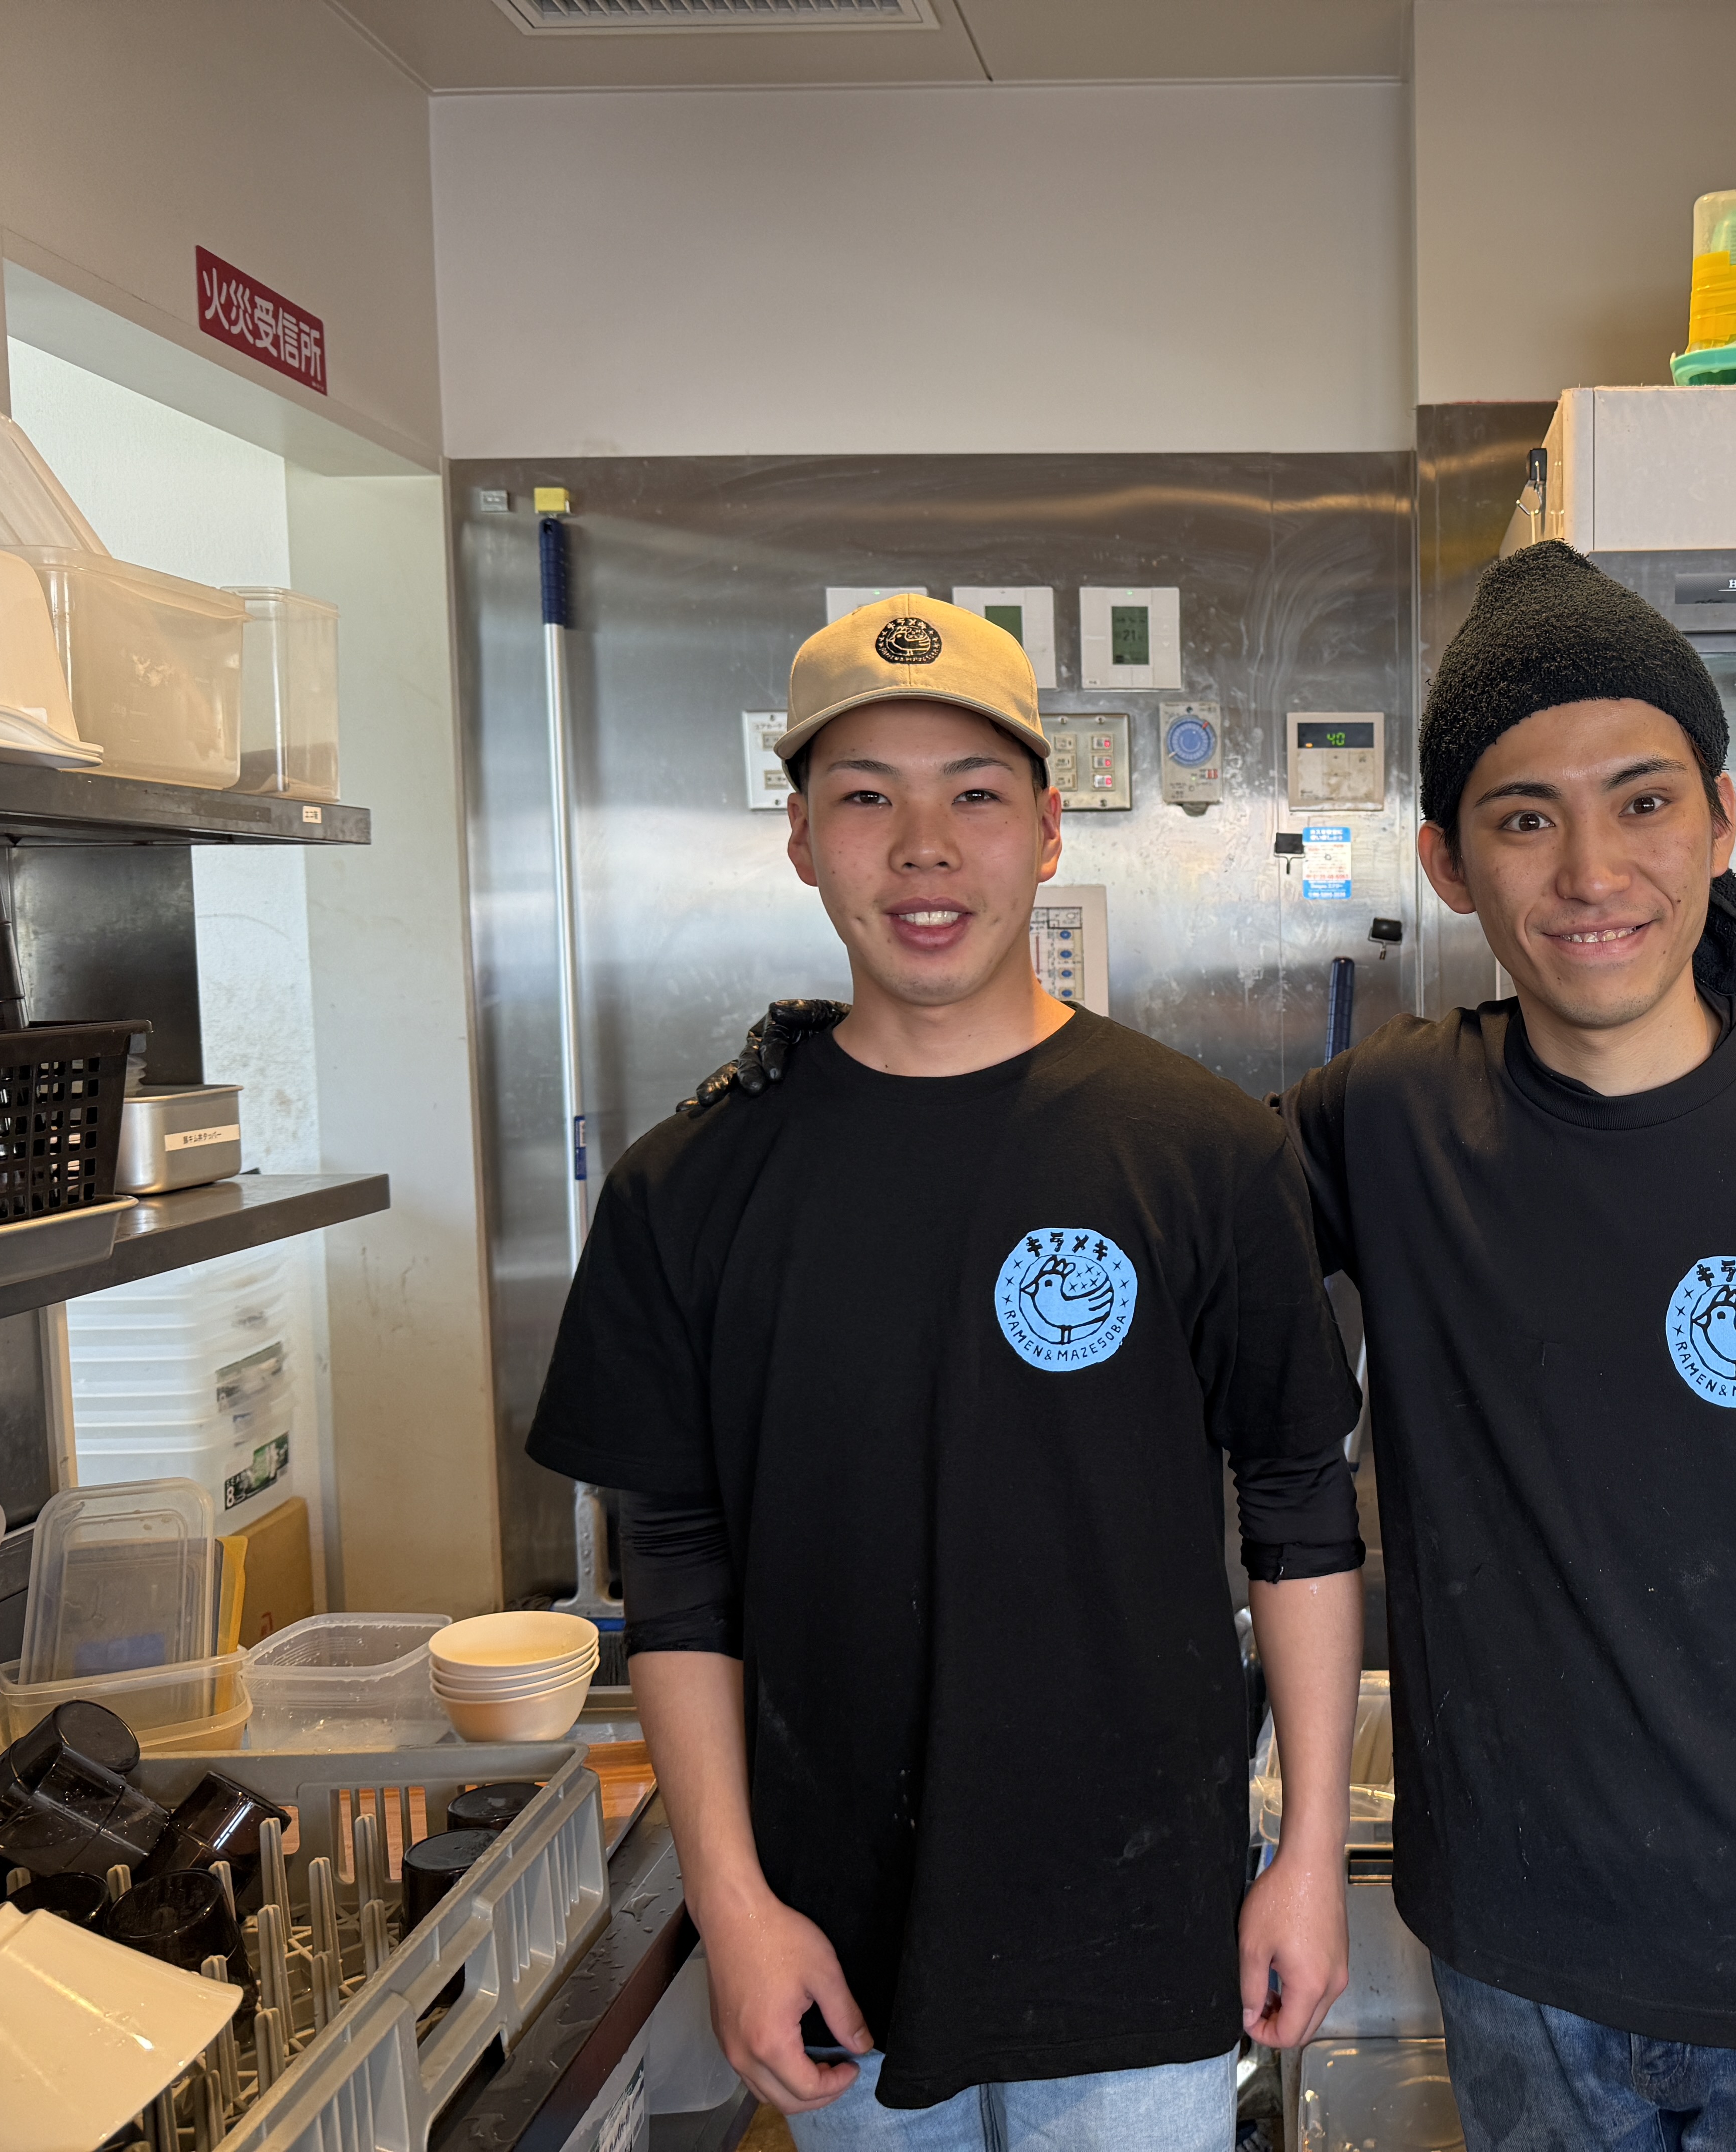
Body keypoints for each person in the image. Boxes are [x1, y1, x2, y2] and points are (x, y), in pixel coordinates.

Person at [699, 549, 1736, 2151]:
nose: (1592, 870)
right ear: (1446, 861)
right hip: (1514, 1958)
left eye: (1644, 803)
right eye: (1525, 819)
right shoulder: (1391, 1118)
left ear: (1720, 821)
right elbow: (1123, 1191)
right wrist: (854, 1076)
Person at [530, 595, 1369, 2152]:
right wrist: (733, 1902)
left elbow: (1301, 1505)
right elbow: (678, 1566)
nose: (924, 848)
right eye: (867, 796)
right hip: (834, 1948)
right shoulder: (688, 1188)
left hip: (1141, 1933)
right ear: (801, 838)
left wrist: (1306, 1852)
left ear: (1046, 830)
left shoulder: (1202, 1152)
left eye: (974, 795)